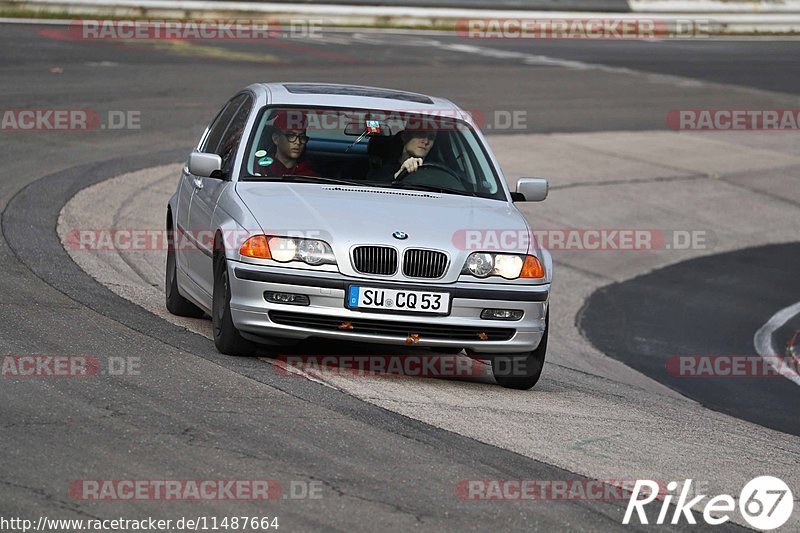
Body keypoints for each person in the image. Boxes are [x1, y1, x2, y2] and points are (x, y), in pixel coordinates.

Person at [255, 110, 317, 177]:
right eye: (291, 136)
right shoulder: (260, 168)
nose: (298, 142)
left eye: (302, 137)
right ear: (276, 139)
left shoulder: (308, 176)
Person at [367, 126, 437, 182]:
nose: (426, 141)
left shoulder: (435, 172)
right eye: (421, 135)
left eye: (431, 137)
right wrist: (398, 174)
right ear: (405, 136)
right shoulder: (382, 167)